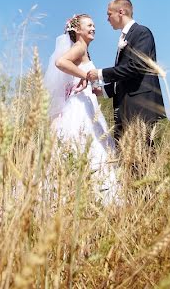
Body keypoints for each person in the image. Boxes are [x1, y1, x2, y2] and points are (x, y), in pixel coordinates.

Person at [43, 13, 118, 200]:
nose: (93, 28)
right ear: (77, 30)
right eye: (89, 25)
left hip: (87, 102)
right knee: (86, 145)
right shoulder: (79, 47)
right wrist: (86, 76)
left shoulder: (84, 48)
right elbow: (60, 62)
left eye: (94, 25)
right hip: (79, 107)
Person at [86, 0, 165, 144]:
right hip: (125, 107)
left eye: (109, 14)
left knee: (143, 158)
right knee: (126, 159)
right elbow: (125, 77)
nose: (107, 19)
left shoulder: (141, 33)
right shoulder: (125, 36)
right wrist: (103, 91)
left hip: (140, 107)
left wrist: (100, 73)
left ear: (120, 12)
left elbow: (135, 67)